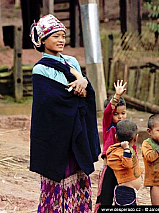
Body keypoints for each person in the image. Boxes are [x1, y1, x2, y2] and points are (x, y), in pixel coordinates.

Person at [29, 14, 101, 212]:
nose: (61, 40)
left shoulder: (71, 62)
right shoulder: (40, 70)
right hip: (55, 135)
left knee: (78, 171)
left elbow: (85, 93)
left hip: (75, 130)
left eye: (63, 36)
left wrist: (82, 82)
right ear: (43, 41)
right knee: (58, 175)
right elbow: (51, 104)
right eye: (55, 36)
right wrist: (79, 87)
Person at [94, 80, 138, 211]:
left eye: (123, 113)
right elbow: (107, 112)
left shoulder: (130, 129)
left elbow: (133, 150)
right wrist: (117, 96)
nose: (120, 117)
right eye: (116, 114)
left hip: (125, 170)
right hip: (109, 168)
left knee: (124, 198)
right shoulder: (109, 127)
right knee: (105, 198)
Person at [106, 119, 143, 206]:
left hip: (130, 192)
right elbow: (128, 164)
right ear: (136, 137)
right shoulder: (117, 153)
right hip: (124, 193)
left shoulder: (129, 151)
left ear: (116, 137)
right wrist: (126, 150)